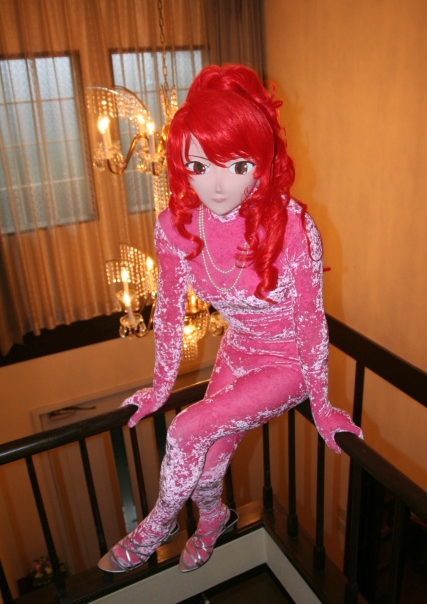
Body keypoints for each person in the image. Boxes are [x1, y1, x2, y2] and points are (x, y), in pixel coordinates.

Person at [98, 63, 363, 574]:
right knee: (207, 464)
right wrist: (159, 388)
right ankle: (212, 519)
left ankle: (157, 525)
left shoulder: (293, 226)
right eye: (201, 166)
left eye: (238, 166)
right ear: (182, 164)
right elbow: (169, 314)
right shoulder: (174, 228)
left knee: (187, 429)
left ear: (262, 166)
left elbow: (312, 325)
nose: (219, 186)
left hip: (287, 364)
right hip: (238, 349)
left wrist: (324, 405)